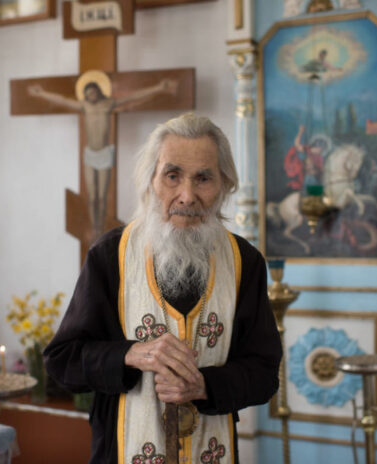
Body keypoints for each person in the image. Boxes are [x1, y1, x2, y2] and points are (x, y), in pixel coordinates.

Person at [44, 113, 282, 463]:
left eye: (203, 178)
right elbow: (62, 361)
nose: (187, 196)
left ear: (224, 186)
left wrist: (204, 386)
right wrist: (131, 354)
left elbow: (264, 374)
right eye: (172, 176)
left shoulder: (245, 262)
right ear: (150, 181)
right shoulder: (110, 256)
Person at [28, 73, 178, 241]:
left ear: (99, 92)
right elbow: (62, 100)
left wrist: (159, 88)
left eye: (93, 92)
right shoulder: (84, 106)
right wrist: (41, 93)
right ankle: (95, 227)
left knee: (102, 196)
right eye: (88, 93)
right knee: (92, 196)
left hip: (105, 154)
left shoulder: (108, 104)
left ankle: (101, 227)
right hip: (90, 154)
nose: (90, 96)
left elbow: (133, 97)